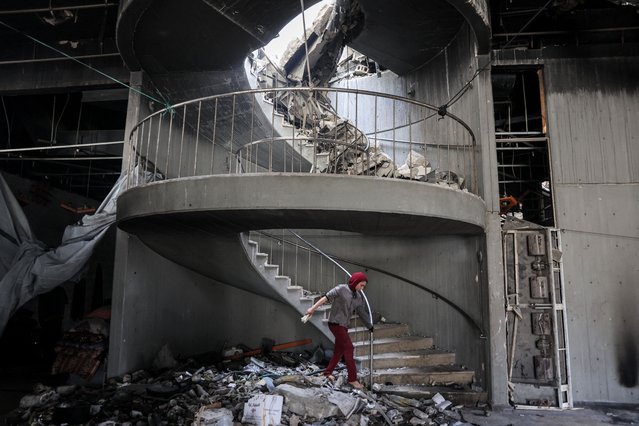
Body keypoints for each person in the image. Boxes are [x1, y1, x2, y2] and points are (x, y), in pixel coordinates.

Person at [306, 271, 374, 389]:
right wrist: (312, 308)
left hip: (344, 325)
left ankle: (327, 372)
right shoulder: (341, 288)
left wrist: (369, 325)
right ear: (355, 282)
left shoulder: (358, 297)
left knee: (339, 350)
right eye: (361, 285)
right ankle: (352, 379)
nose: (362, 288)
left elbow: (361, 313)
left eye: (364, 286)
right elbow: (326, 298)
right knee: (349, 348)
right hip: (335, 323)